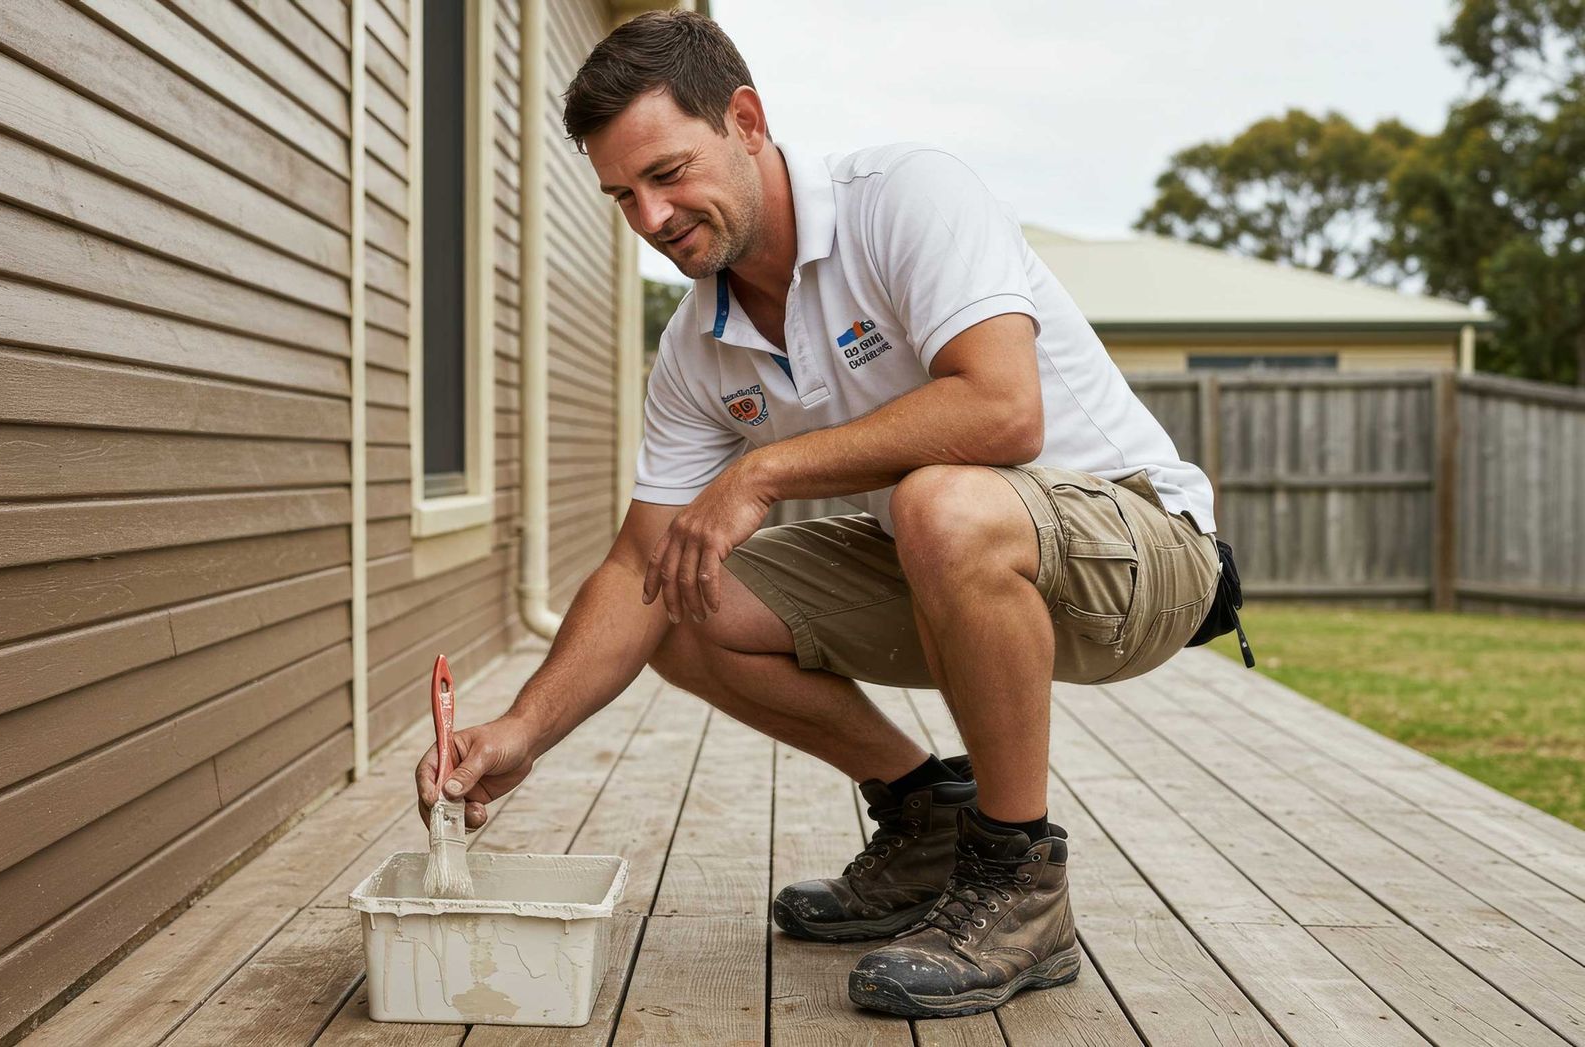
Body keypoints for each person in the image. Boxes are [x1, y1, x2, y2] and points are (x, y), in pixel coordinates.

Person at [416, 9, 1222, 1018]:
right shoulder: (699, 347)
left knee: (941, 501)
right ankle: (929, 815)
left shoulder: (905, 197)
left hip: (1140, 553)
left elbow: (1002, 408)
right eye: (623, 195)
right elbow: (635, 569)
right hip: (951, 555)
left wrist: (761, 475)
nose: (652, 218)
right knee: (682, 591)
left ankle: (1020, 885)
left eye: (668, 174)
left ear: (746, 120)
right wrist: (523, 731)